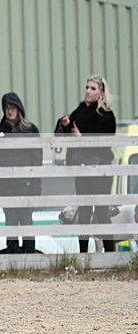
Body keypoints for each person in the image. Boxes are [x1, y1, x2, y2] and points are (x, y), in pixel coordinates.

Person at [55, 74, 117, 252]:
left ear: (101, 92)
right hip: (81, 166)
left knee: (101, 210)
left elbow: (106, 140)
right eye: (87, 87)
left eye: (93, 88)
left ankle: (110, 253)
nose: (88, 91)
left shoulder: (107, 115)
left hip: (100, 167)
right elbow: (69, 130)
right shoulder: (81, 109)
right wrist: (65, 123)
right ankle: (83, 254)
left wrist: (82, 138)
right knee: (84, 210)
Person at [0, 92, 42, 253]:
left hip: (25, 184)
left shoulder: (30, 130)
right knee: (10, 221)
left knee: (26, 220)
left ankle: (29, 255)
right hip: (5, 185)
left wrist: (35, 186)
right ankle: (12, 256)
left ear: (19, 109)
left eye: (13, 107)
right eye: (7, 108)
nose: (10, 111)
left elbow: (37, 160)